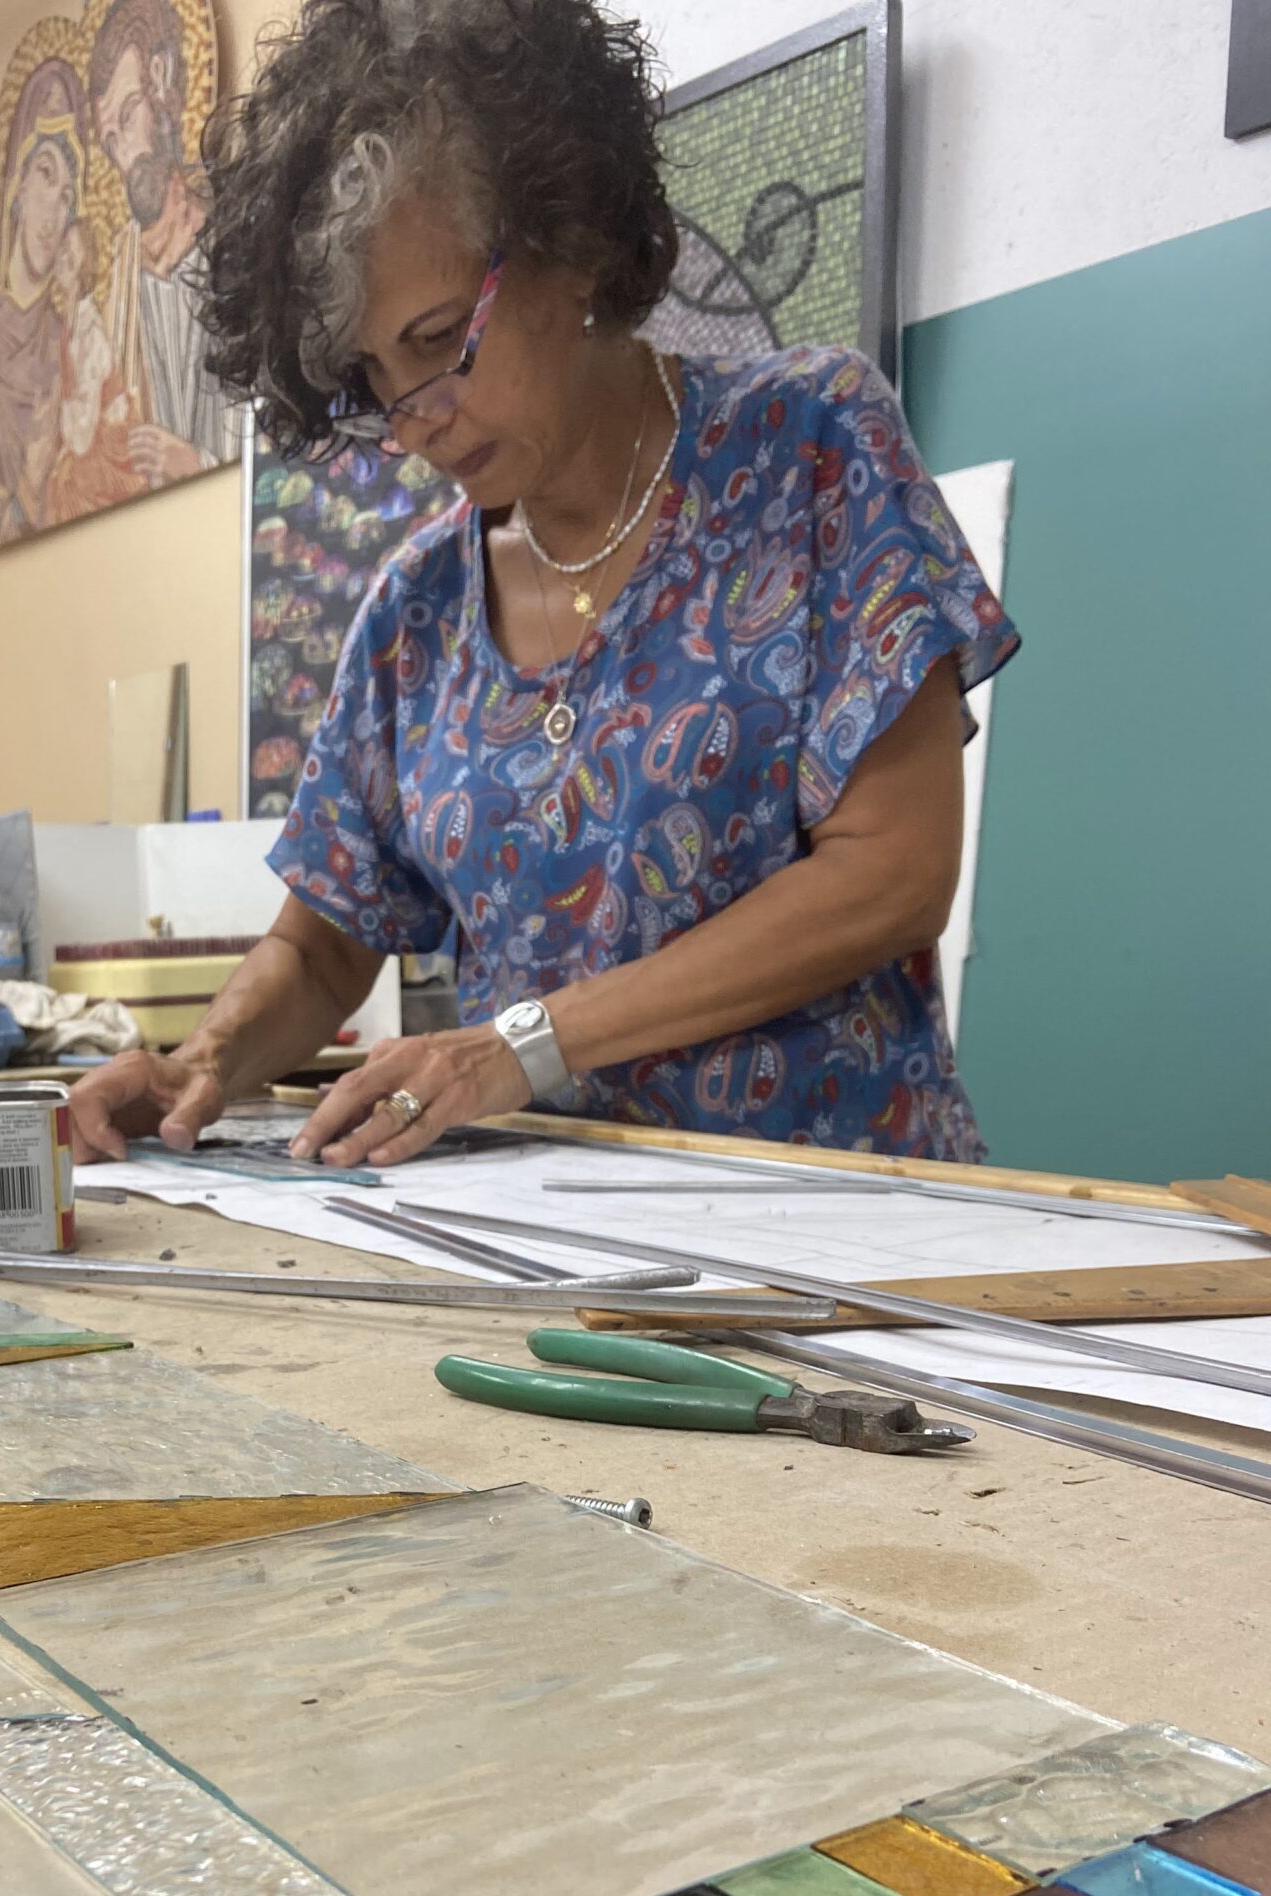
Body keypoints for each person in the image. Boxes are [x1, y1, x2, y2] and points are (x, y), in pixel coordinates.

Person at [70, 0, 1016, 1171]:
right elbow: (320, 949)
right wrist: (201, 1064)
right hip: (546, 1243)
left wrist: (525, 1044)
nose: (414, 418)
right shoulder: (417, 612)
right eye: (371, 378)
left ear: (566, 241)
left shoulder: (808, 448)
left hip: (844, 1220)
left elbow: (894, 872)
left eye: (436, 341)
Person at [88, 0, 237, 489]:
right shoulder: (125, 291)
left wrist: (196, 462)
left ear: (161, 81)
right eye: (111, 141)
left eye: (129, 114)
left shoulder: (233, 245)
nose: (127, 155)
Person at [0, 59, 84, 554]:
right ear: (18, 186)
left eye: (67, 196)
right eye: (45, 176)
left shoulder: (64, 333)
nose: (55, 212)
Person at [44, 217, 146, 524]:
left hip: (110, 459)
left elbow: (81, 438)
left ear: (82, 267)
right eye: (61, 250)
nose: (61, 259)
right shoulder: (66, 326)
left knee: (61, 487)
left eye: (70, 255)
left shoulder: (91, 337)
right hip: (86, 446)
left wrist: (50, 407)